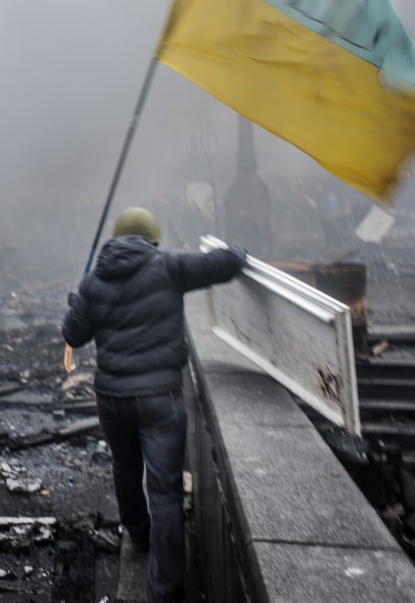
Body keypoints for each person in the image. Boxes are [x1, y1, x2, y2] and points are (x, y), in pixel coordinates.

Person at [62, 207, 247, 603]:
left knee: (125, 468)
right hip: (158, 399)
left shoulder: (94, 281)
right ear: (151, 239)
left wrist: (78, 299)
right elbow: (226, 263)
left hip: (111, 398)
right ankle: (165, 590)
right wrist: (241, 248)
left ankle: (139, 535)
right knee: (164, 492)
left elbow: (73, 336)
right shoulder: (168, 266)